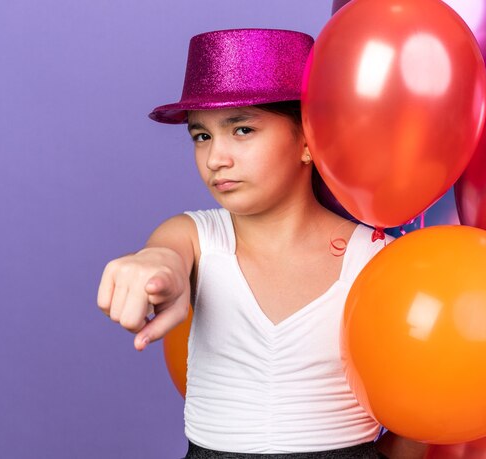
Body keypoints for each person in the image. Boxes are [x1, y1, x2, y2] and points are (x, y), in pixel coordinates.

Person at [97, 28, 428, 458]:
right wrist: (153, 265)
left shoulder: (378, 259)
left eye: (242, 130)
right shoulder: (196, 237)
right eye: (202, 136)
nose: (216, 158)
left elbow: (421, 408)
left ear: (309, 140)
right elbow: (166, 252)